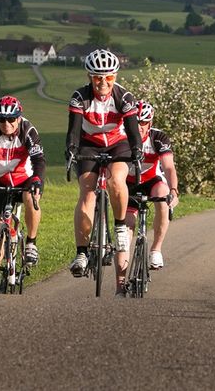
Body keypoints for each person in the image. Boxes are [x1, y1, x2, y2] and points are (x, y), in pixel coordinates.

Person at [65, 48, 143, 292]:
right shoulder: (80, 97)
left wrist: (137, 150)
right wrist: (71, 149)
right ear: (90, 77)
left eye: (108, 77)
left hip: (118, 144)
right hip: (90, 144)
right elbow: (74, 131)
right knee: (87, 191)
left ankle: (120, 226)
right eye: (98, 77)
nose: (103, 82)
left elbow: (132, 131)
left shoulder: (124, 98)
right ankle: (81, 253)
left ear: (115, 77)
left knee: (116, 181)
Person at [0, 95, 45, 291]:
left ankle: (31, 243)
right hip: (2, 182)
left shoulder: (28, 130)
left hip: (26, 180)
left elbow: (39, 159)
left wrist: (37, 179)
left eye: (11, 119)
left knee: (31, 197)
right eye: (1, 120)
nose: (6, 124)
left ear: (19, 118)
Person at [121, 100, 179, 273]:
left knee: (163, 194)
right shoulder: (122, 138)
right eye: (135, 123)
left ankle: (156, 249)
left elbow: (168, 167)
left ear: (150, 123)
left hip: (152, 181)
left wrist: (174, 191)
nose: (139, 127)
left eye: (144, 123)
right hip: (129, 183)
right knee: (128, 225)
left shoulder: (158, 138)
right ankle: (123, 265)